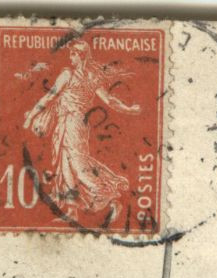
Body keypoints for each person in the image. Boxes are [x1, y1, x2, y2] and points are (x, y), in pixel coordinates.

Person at [22, 39, 141, 223]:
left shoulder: (71, 75)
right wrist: (128, 109)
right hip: (68, 123)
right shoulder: (89, 77)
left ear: (81, 55)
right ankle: (72, 210)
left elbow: (50, 97)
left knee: (78, 165)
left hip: (73, 123)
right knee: (65, 164)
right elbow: (109, 101)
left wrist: (31, 117)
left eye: (73, 54)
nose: (70, 57)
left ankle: (110, 196)